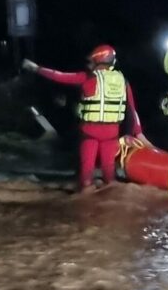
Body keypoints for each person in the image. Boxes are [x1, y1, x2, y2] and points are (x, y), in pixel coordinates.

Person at [22, 45, 150, 192]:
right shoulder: (123, 81)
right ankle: (112, 196)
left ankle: (85, 196)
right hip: (111, 133)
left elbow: (59, 76)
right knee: (109, 172)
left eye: (91, 62)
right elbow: (131, 109)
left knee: (86, 172)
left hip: (90, 132)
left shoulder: (87, 77)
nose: (89, 65)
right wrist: (137, 132)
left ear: (97, 61)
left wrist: (37, 68)